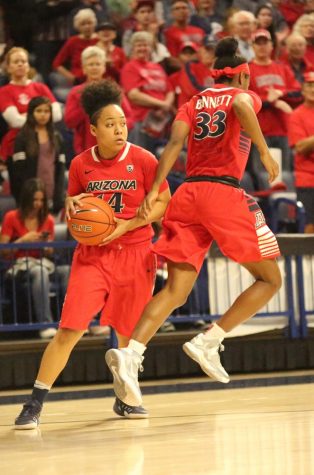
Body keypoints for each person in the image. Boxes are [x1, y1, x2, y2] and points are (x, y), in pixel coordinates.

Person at [105, 37, 282, 409]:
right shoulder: (242, 94)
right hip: (222, 194)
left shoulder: (192, 102)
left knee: (175, 291)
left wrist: (156, 189)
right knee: (270, 279)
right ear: (245, 76)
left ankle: (131, 354)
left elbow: (172, 147)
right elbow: (241, 104)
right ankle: (208, 341)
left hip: (186, 194)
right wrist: (264, 151)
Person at [14, 80, 170, 429]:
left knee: (127, 336)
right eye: (111, 124)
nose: (119, 129)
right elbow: (76, 207)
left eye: (122, 123)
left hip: (136, 252)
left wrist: (126, 226)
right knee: (69, 329)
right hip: (94, 256)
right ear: (94, 129)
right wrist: (72, 206)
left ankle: (126, 401)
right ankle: (34, 403)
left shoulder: (144, 159)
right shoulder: (82, 165)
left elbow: (162, 204)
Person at [0, 178, 68, 339]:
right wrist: (24, 240)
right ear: (27, 199)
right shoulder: (11, 217)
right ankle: (45, 324)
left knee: (67, 271)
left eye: (41, 200)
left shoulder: (48, 220)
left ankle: (72, 324)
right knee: (40, 272)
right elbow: (3, 251)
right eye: (35, 199)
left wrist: (45, 246)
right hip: (17, 267)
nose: (38, 204)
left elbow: (50, 252)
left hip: (42, 263)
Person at [64, 45, 134, 155]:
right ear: (84, 68)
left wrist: (115, 127)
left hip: (114, 148)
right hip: (85, 150)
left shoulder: (114, 89)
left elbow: (129, 118)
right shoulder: (76, 92)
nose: (94, 67)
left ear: (104, 67)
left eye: (98, 64)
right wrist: (87, 103)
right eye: (91, 64)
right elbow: (69, 122)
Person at [0, 47, 62, 161]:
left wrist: (25, 115)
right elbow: (15, 121)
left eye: (23, 61)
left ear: (28, 65)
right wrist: (43, 117)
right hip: (17, 142)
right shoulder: (4, 91)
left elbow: (57, 114)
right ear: (8, 67)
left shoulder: (40, 87)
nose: (20, 64)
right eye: (16, 62)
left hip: (45, 140)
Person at [8, 96, 66, 214]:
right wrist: (23, 197)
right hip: (29, 198)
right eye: (39, 111)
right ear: (31, 113)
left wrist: (59, 196)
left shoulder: (56, 137)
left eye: (46, 111)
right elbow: (18, 173)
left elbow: (60, 169)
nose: (43, 115)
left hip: (51, 194)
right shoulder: (22, 137)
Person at [288, 71, 314, 233]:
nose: (313, 89)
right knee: (310, 226)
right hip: (308, 181)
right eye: (310, 85)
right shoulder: (296, 116)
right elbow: (300, 147)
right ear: (303, 89)